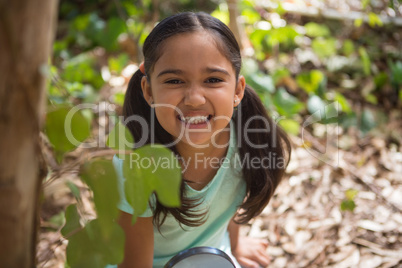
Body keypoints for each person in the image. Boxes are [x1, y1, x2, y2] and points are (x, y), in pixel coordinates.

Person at [112, 11, 291, 268]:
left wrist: (235, 243)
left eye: (213, 80)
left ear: (237, 90)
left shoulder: (250, 142)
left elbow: (228, 196)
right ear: (149, 91)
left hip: (213, 256)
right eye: (174, 80)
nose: (194, 98)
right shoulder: (136, 168)